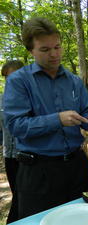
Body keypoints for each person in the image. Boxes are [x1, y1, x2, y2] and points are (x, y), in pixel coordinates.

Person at [3, 17, 88, 220]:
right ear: (31, 51)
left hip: (77, 168)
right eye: (45, 50)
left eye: (57, 47)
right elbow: (15, 126)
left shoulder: (74, 81)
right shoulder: (19, 81)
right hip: (39, 172)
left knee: (86, 218)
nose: (54, 54)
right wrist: (57, 119)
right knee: (41, 222)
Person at [0, 60, 24, 223]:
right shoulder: (1, 100)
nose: (10, 81)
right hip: (10, 156)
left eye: (13, 76)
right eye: (6, 78)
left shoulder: (32, 97)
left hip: (30, 157)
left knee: (26, 198)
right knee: (17, 195)